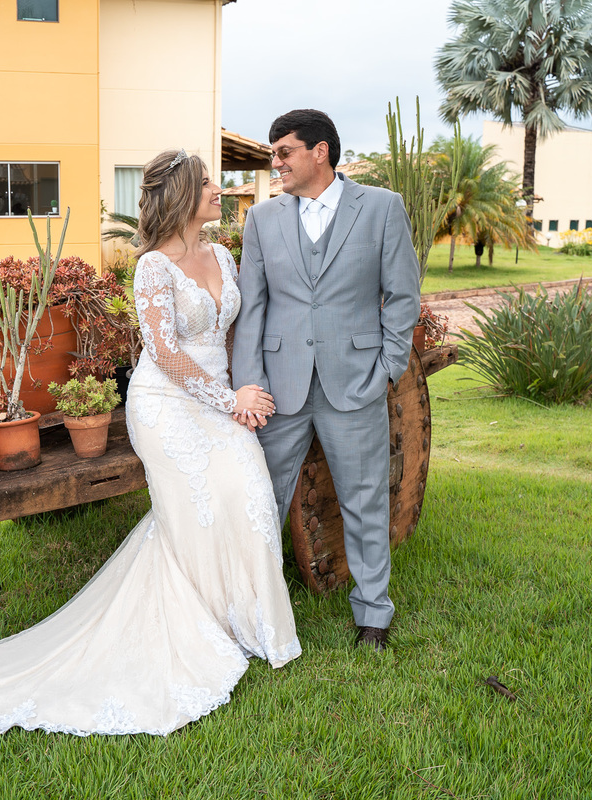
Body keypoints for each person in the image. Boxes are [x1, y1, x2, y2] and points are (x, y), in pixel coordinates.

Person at [0, 148, 301, 735]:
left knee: (247, 487)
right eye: (207, 185)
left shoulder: (223, 253)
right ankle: (199, 625)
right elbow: (167, 356)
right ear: (179, 196)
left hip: (219, 398)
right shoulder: (151, 267)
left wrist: (243, 386)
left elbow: (234, 332)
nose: (219, 191)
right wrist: (233, 402)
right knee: (200, 503)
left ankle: (247, 621)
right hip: (167, 404)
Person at [231, 109, 420, 651]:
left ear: (320, 152)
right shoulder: (263, 220)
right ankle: (255, 610)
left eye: (284, 152)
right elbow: (253, 308)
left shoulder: (381, 208)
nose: (276, 163)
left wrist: (387, 366)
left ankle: (373, 617)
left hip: (354, 381)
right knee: (260, 498)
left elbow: (402, 295)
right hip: (278, 388)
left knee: (364, 502)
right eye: (273, 153)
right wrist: (249, 381)